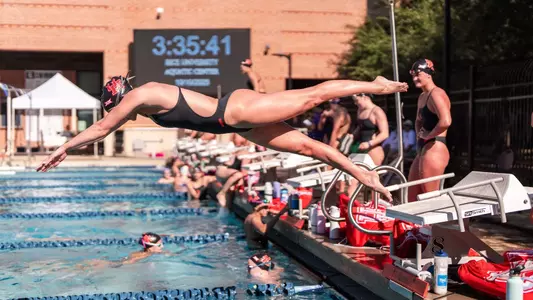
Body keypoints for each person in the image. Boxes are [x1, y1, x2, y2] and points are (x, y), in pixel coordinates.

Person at [36, 74, 409, 201]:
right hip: (235, 125)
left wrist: (65, 147)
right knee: (312, 148)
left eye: (113, 107)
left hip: (235, 112)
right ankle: (362, 173)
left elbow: (103, 128)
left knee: (312, 96)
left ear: (117, 97)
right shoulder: (140, 104)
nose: (116, 113)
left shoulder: (140, 95)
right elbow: (107, 127)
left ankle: (373, 86)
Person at [407, 59, 451, 202]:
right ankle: (416, 225)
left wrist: (428, 135)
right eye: (413, 75)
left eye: (418, 74)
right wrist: (419, 135)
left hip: (435, 147)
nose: (414, 78)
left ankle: (439, 224)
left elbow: (446, 121)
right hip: (424, 148)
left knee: (429, 199)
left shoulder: (436, 93)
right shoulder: (422, 96)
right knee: (412, 197)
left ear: (428, 74)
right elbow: (418, 120)